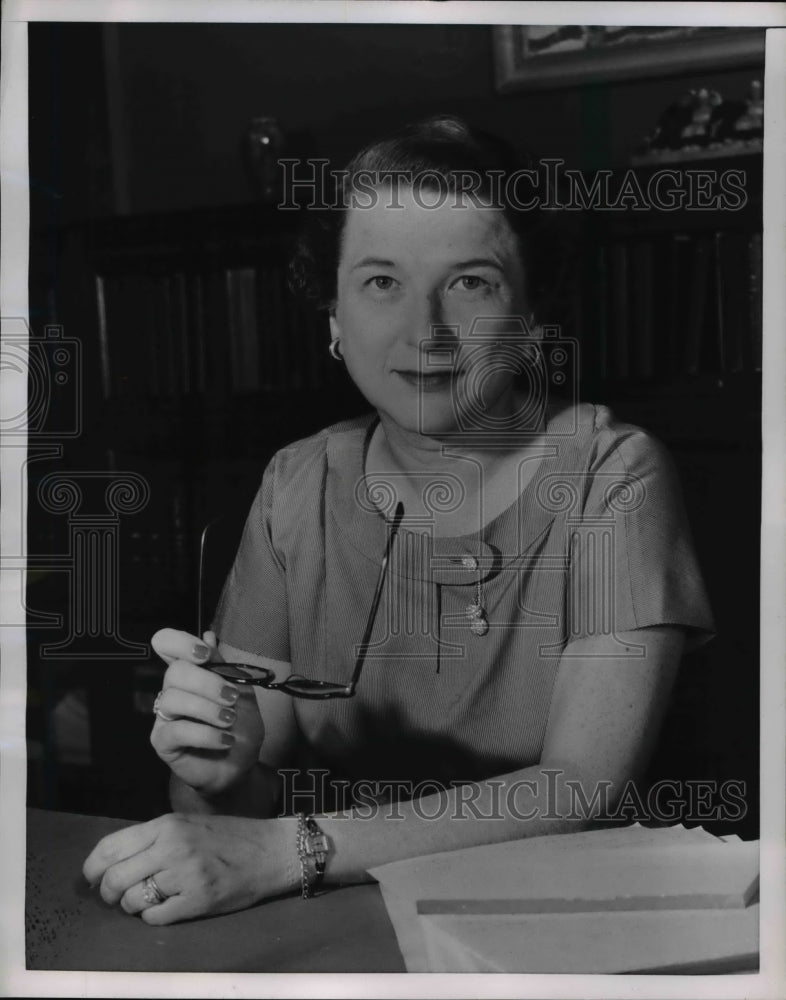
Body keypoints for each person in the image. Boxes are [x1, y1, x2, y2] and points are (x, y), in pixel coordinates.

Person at [83, 116, 714, 925]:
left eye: (471, 283)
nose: (427, 331)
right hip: (332, 918)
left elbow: (581, 789)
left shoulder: (613, 472)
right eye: (382, 282)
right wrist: (216, 767)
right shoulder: (295, 482)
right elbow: (232, 810)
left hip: (560, 926)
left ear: (533, 316)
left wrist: (289, 849)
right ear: (335, 320)